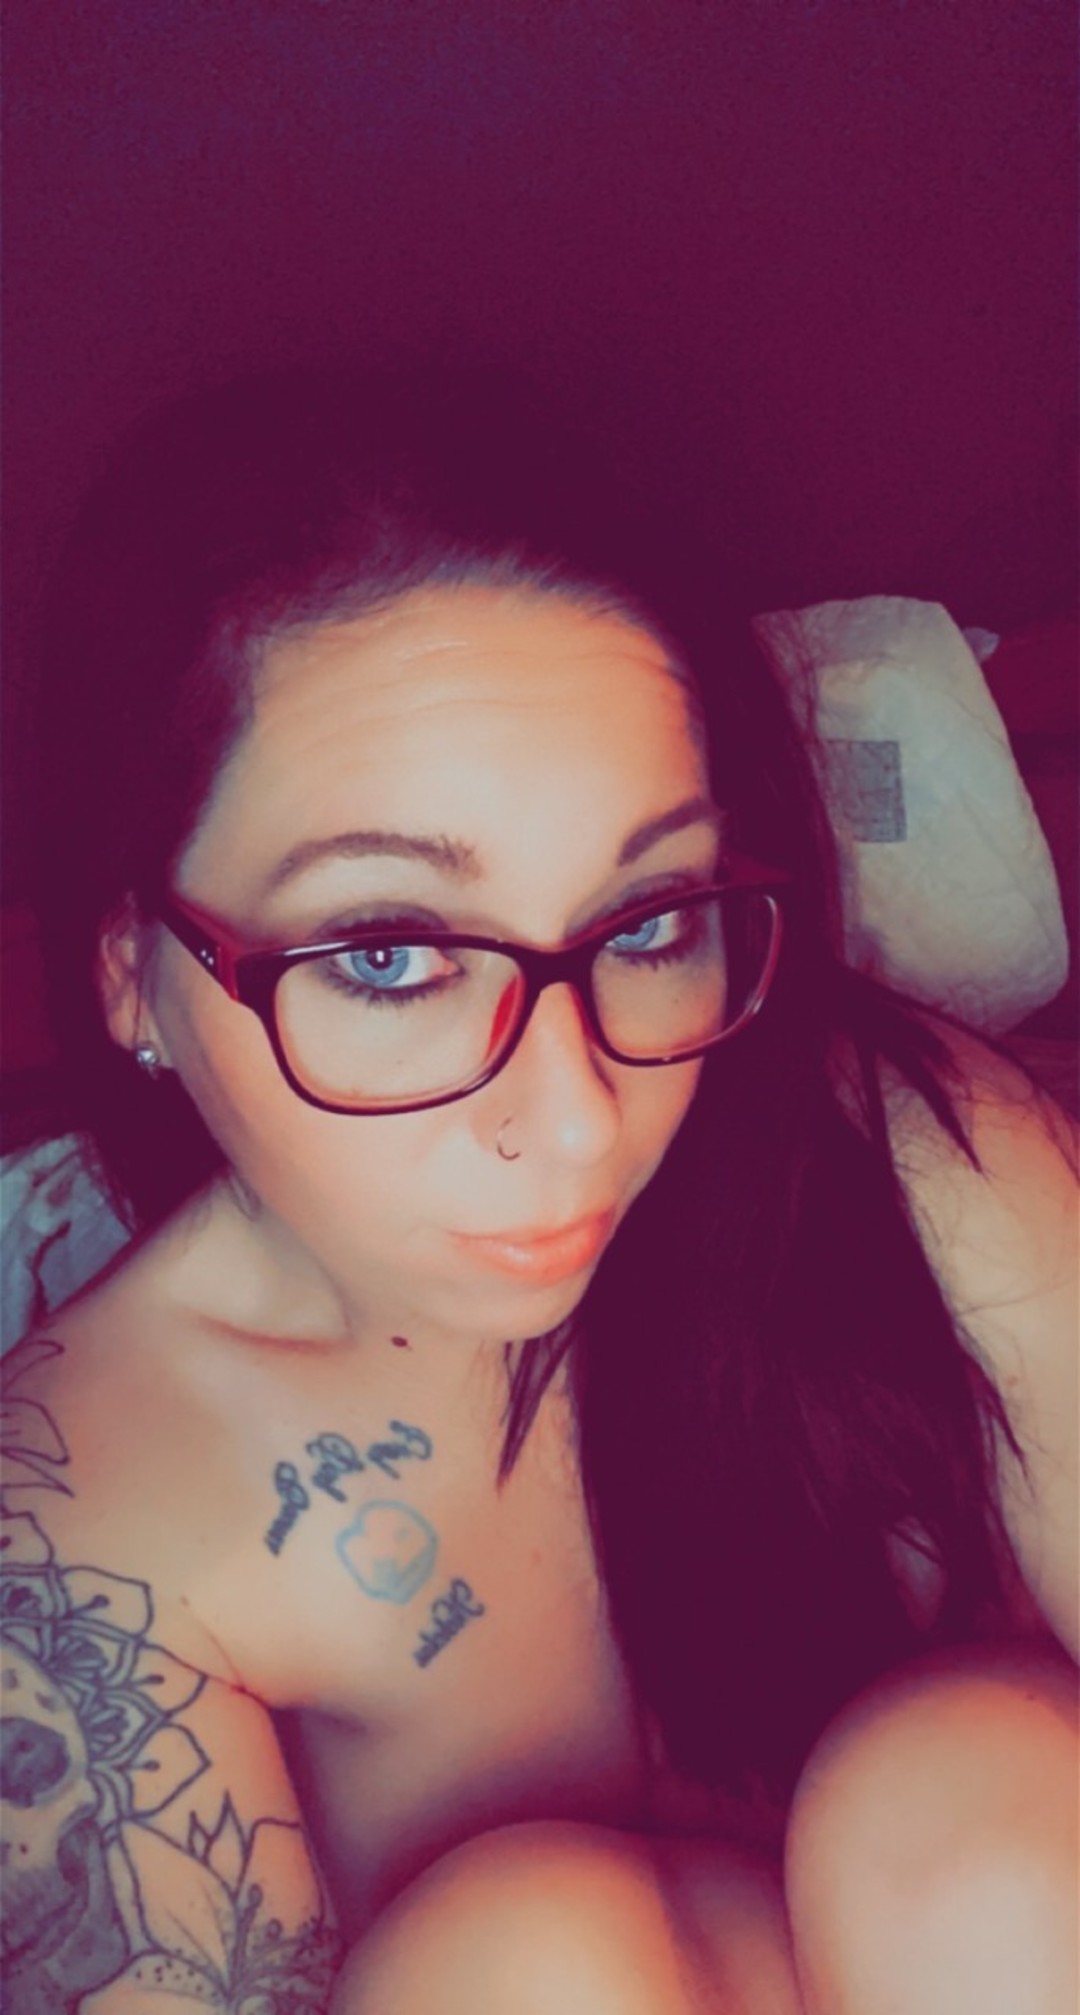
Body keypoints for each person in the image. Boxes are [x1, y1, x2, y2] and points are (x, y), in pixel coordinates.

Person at [2, 365, 1075, 2015]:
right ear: (132, 975)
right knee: (521, 1967)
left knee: (959, 1813)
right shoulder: (84, 1547)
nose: (577, 1119)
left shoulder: (895, 1150)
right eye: (387, 953)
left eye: (649, 922)